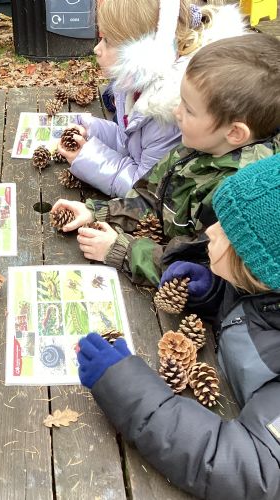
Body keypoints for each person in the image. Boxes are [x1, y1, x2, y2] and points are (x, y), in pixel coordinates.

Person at [76, 154, 280, 500]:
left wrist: (124, 385)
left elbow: (247, 468)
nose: (211, 230)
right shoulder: (264, 288)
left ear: (257, 267)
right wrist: (213, 292)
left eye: (227, 230)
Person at [52, 33, 280, 287]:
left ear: (235, 133)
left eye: (189, 109)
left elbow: (201, 271)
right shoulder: (197, 146)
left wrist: (123, 252)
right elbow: (150, 196)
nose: (176, 112)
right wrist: (98, 212)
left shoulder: (236, 195)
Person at [57, 0, 244, 198]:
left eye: (108, 41)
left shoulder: (170, 113)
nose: (97, 49)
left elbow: (145, 189)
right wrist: (92, 130)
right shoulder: (136, 83)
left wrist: (86, 158)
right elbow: (129, 141)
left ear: (145, 52)